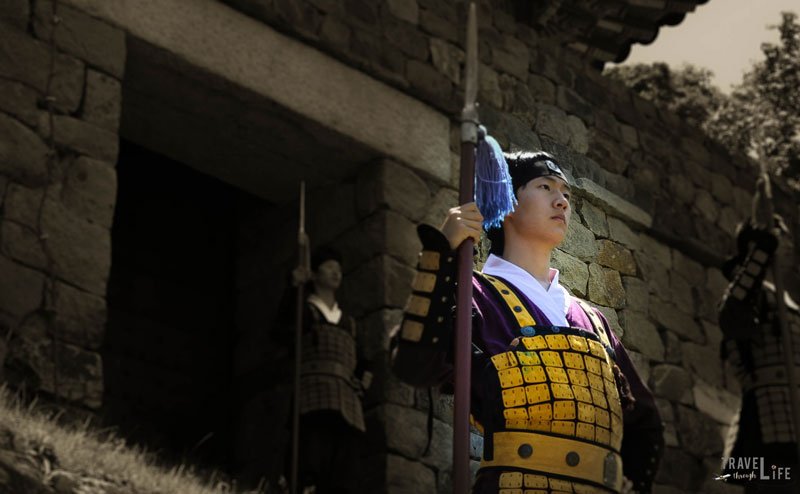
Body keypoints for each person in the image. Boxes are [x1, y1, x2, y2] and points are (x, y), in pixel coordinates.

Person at [392, 151, 663, 493]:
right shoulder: (473, 294)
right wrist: (442, 257)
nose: (562, 201)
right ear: (505, 200)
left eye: (565, 192)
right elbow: (413, 365)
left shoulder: (591, 320)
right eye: (545, 186)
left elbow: (644, 422)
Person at [718, 179, 798, 493]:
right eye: (782, 237)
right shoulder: (753, 297)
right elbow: (732, 312)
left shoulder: (789, 303)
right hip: (767, 421)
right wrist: (762, 249)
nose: (787, 243)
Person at [275, 247, 372, 494]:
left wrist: (362, 383)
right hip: (313, 395)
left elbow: (364, 362)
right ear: (314, 274)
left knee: (343, 470)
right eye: (329, 267)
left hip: (347, 401)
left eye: (338, 269)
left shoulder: (348, 322)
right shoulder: (303, 310)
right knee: (310, 458)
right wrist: (293, 288)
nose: (335, 272)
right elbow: (280, 334)